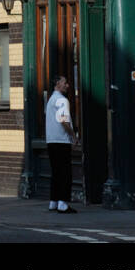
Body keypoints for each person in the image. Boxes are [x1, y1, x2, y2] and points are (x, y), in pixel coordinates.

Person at [46, 75, 79, 212]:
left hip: (51, 141)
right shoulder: (61, 100)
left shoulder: (51, 100)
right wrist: (73, 136)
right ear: (58, 83)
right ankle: (63, 204)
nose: (67, 85)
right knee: (65, 173)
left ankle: (53, 201)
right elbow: (64, 120)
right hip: (61, 141)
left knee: (56, 172)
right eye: (65, 83)